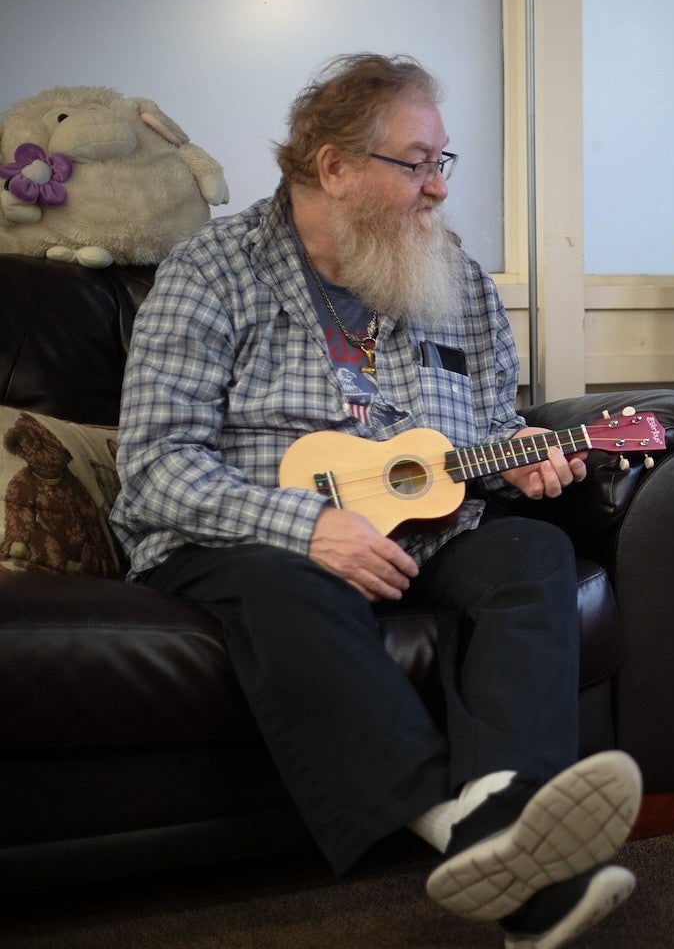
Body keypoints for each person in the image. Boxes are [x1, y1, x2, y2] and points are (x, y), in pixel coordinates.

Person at [110, 53, 639, 947]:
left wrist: (517, 458)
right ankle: (470, 835)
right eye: (417, 163)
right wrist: (308, 526)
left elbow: (488, 422)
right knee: (293, 585)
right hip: (244, 538)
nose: (438, 187)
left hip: (427, 530)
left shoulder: (458, 282)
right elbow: (156, 464)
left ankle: (509, 811)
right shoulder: (211, 270)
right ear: (334, 168)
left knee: (534, 555)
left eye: (444, 163)